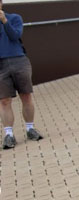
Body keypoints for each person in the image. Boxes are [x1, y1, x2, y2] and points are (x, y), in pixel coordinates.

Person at [0, 0, 43, 149]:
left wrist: (4, 20)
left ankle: (30, 128)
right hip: (0, 65)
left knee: (26, 95)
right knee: (4, 100)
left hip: (19, 60)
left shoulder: (14, 18)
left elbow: (15, 35)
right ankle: (9, 135)